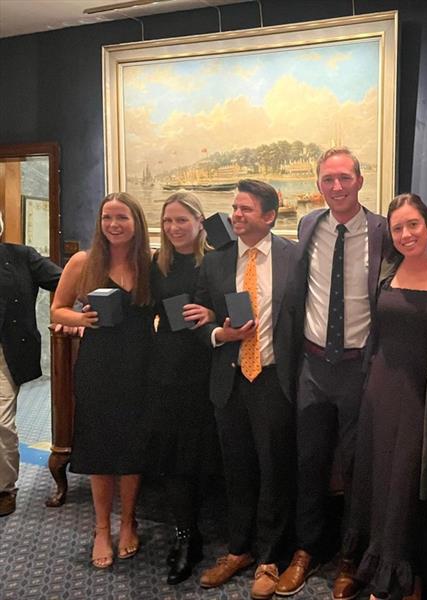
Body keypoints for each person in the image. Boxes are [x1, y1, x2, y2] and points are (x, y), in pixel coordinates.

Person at [277, 148, 427, 600]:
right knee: (309, 461)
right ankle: (306, 550)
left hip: (362, 367)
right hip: (312, 363)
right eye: (328, 180)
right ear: (318, 185)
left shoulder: (384, 228)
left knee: (360, 469)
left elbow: (419, 260)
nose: (336, 187)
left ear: (361, 181)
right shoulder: (308, 226)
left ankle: (350, 557)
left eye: (344, 178)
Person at [344, 193, 427, 600]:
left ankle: (406, 578)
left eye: (413, 224)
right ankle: (380, 567)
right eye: (397, 227)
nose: (405, 233)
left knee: (409, 484)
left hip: (425, 396)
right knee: (379, 481)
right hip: (380, 391)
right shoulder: (386, 270)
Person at [194, 179, 301, 600]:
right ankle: (238, 549)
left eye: (246, 210)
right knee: (235, 469)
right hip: (230, 380)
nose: (236, 216)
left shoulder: (295, 257)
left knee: (275, 469)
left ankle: (271, 558)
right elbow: (195, 318)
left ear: (270, 216)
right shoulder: (215, 262)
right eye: (234, 209)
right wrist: (220, 332)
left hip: (276, 379)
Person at [50, 192, 153, 569]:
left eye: (122, 217)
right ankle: (99, 529)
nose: (113, 224)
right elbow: (58, 307)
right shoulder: (83, 262)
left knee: (131, 449)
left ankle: (127, 523)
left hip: (140, 369)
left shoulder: (150, 264)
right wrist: (82, 321)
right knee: (100, 448)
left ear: (136, 222)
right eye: (107, 216)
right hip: (98, 369)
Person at [149, 192, 218, 584]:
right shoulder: (158, 264)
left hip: (209, 369)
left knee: (202, 457)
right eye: (168, 221)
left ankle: (212, 534)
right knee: (175, 460)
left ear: (199, 221)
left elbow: (244, 310)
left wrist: (212, 313)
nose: (174, 228)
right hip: (167, 371)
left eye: (182, 220)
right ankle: (186, 537)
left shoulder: (220, 259)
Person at [0, 210, 62, 517]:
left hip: (5, 352)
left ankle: (4, 488)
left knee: (0, 423)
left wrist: (75, 312)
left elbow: (63, 281)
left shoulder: (22, 256)